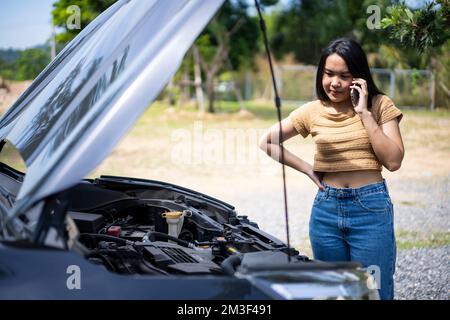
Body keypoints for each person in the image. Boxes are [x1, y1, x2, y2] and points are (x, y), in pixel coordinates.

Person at [259, 38, 404, 300]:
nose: (334, 82)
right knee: (332, 293)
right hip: (326, 211)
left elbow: (393, 161)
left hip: (370, 210)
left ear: (359, 78)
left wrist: (364, 114)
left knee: (374, 291)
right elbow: (267, 141)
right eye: (328, 74)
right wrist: (307, 168)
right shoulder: (312, 111)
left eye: (344, 76)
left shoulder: (380, 105)